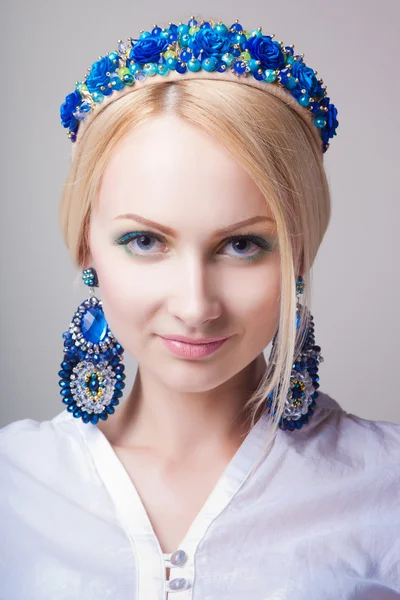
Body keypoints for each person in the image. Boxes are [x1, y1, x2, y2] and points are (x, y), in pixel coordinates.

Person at [0, 15, 399, 600]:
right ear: (87, 242)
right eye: (145, 241)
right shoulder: (14, 482)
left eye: (242, 245)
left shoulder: (386, 486)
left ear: (299, 254)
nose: (195, 305)